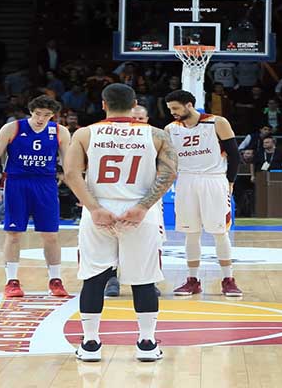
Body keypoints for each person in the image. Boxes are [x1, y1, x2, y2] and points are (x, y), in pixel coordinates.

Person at [63, 83, 177, 362]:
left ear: (103, 104)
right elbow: (170, 173)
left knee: (93, 277)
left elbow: (71, 173)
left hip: (99, 210)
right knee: (144, 279)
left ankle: (90, 344)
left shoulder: (84, 133)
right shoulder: (157, 134)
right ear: (134, 103)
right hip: (140, 213)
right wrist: (142, 207)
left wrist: (94, 208)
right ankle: (147, 343)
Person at [0, 95, 72, 298]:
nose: (42, 118)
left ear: (53, 115)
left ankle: (55, 280)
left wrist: (78, 186)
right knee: (14, 234)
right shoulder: (13, 128)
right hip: (17, 182)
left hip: (46, 184)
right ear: (31, 112)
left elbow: (69, 164)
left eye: (47, 115)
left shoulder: (60, 132)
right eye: (38, 114)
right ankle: (11, 281)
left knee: (51, 235)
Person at [164, 90, 243, 297]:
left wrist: (231, 181)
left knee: (219, 232)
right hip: (186, 180)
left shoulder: (217, 122)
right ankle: (192, 279)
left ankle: (228, 279)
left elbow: (234, 155)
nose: (172, 113)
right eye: (170, 109)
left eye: (175, 108)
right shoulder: (171, 129)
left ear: (189, 105)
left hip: (214, 179)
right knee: (190, 232)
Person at [105, 106, 162, 297]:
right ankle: (111, 279)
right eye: (134, 117)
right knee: (112, 238)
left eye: (141, 118)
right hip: (115, 195)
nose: (137, 120)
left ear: (147, 119)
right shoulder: (113, 138)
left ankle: (149, 279)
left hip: (147, 198)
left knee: (154, 241)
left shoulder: (156, 138)